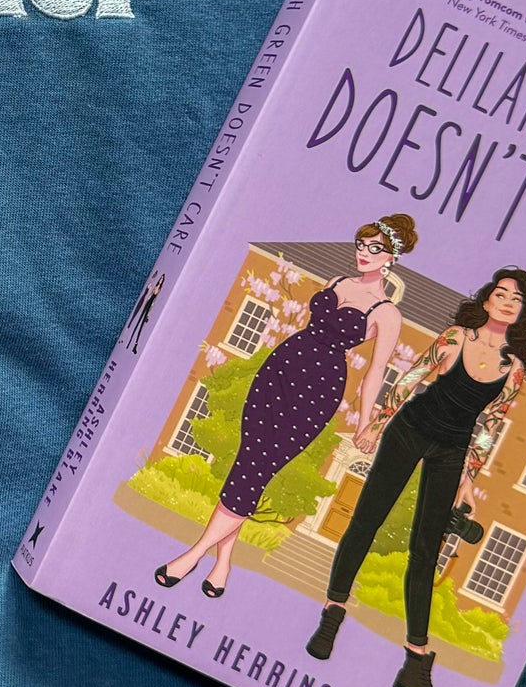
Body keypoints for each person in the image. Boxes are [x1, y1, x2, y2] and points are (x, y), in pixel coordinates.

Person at [305, 268, 526, 687]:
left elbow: (490, 425)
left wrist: (468, 479)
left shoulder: (515, 369)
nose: (508, 301)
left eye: (516, 298)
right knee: (366, 521)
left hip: (451, 450)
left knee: (426, 551)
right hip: (409, 431)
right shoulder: (455, 338)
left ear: (522, 311)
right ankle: (332, 615)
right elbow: (411, 378)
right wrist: (376, 425)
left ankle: (415, 664)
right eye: (501, 293)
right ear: (486, 301)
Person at [155, 214, 415, 598]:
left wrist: (364, 424)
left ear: (391, 257)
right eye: (362, 244)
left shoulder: (387, 313)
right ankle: (222, 565)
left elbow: (375, 373)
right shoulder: (337, 282)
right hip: (282, 367)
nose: (364, 253)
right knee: (248, 460)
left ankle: (193, 555)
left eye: (375, 248)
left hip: (318, 388)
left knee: (258, 467)